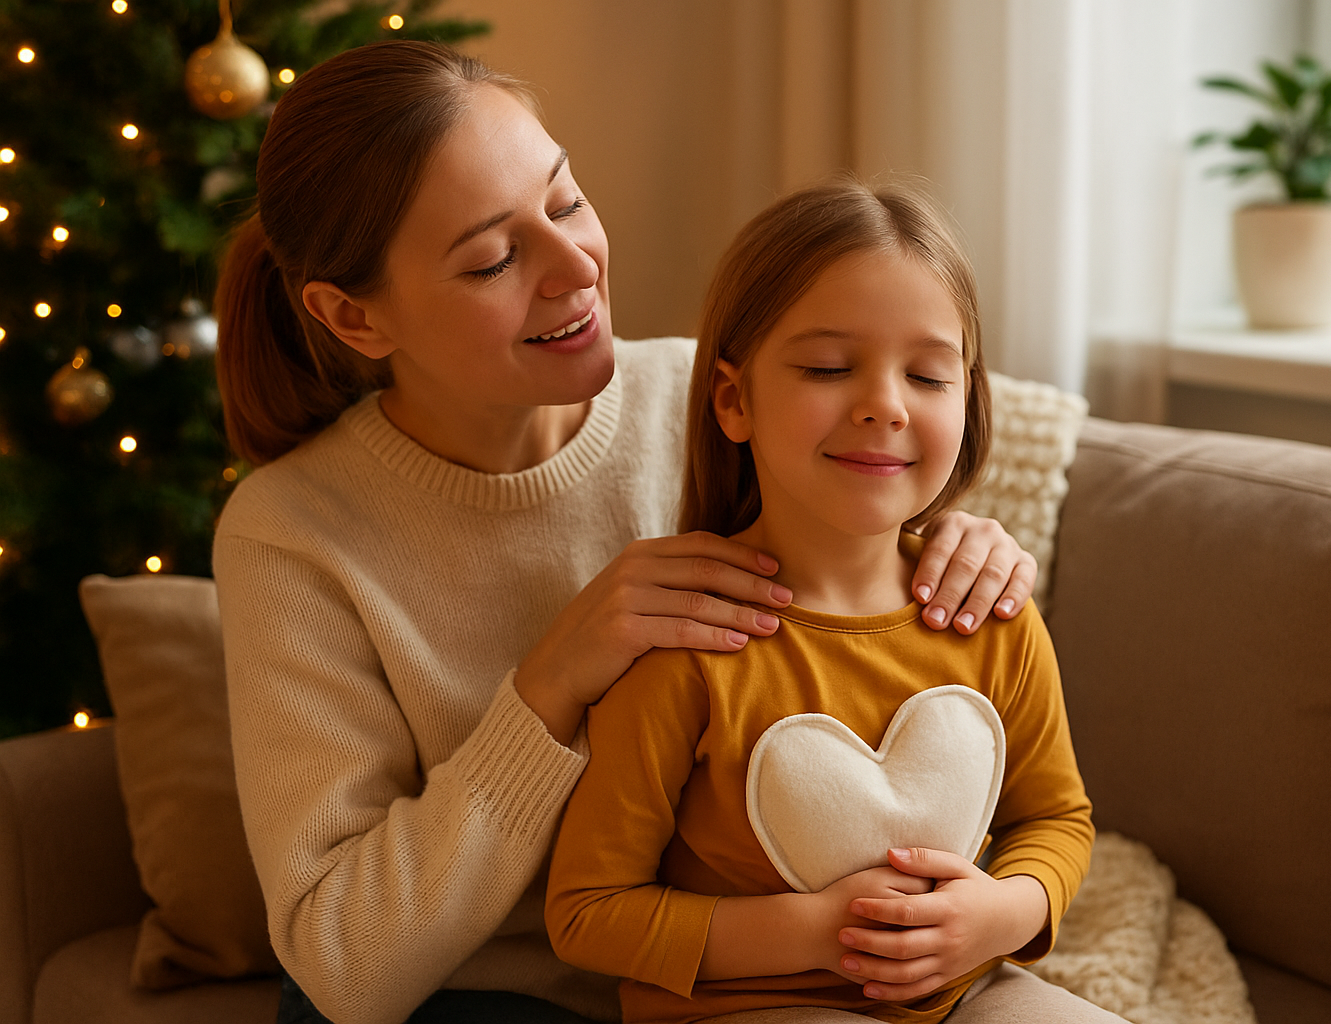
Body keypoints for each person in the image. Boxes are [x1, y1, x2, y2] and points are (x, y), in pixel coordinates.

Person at [211, 41, 1039, 1024]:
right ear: (353, 316)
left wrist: (951, 546)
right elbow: (345, 964)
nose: (575, 268)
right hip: (488, 994)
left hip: (754, 969)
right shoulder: (292, 531)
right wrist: (553, 682)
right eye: (493, 258)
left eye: (564, 202)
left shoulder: (703, 395)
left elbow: (854, 595)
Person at [543, 180, 1113, 1024]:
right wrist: (815, 932)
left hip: (968, 992)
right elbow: (588, 914)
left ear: (968, 398)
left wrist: (1001, 913)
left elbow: (1057, 819)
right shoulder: (687, 640)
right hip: (745, 1006)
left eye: (927, 374)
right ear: (734, 401)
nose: (884, 404)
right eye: (828, 368)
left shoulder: (994, 618)